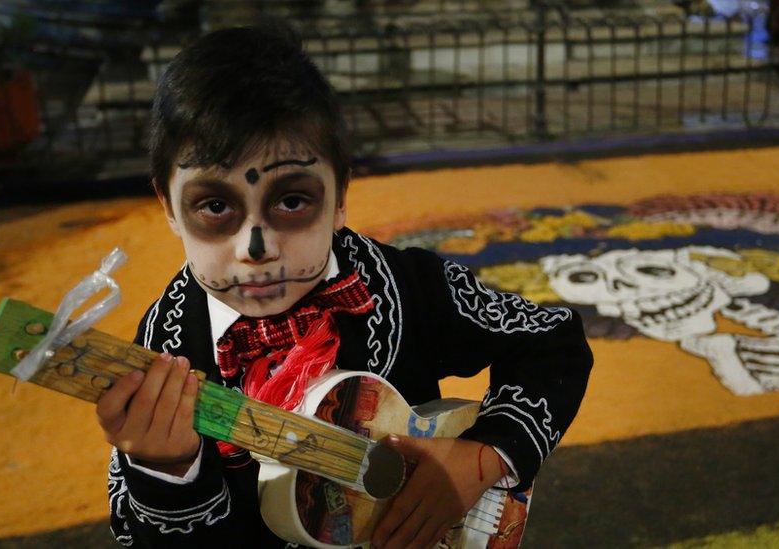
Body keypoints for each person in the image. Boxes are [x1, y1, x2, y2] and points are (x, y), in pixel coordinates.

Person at [95, 24, 592, 548]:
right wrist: (166, 472)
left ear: (340, 197)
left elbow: (551, 341)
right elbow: (142, 533)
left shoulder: (407, 285)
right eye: (215, 206)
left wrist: (485, 455)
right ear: (169, 208)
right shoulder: (163, 354)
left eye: (291, 201)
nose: (255, 246)